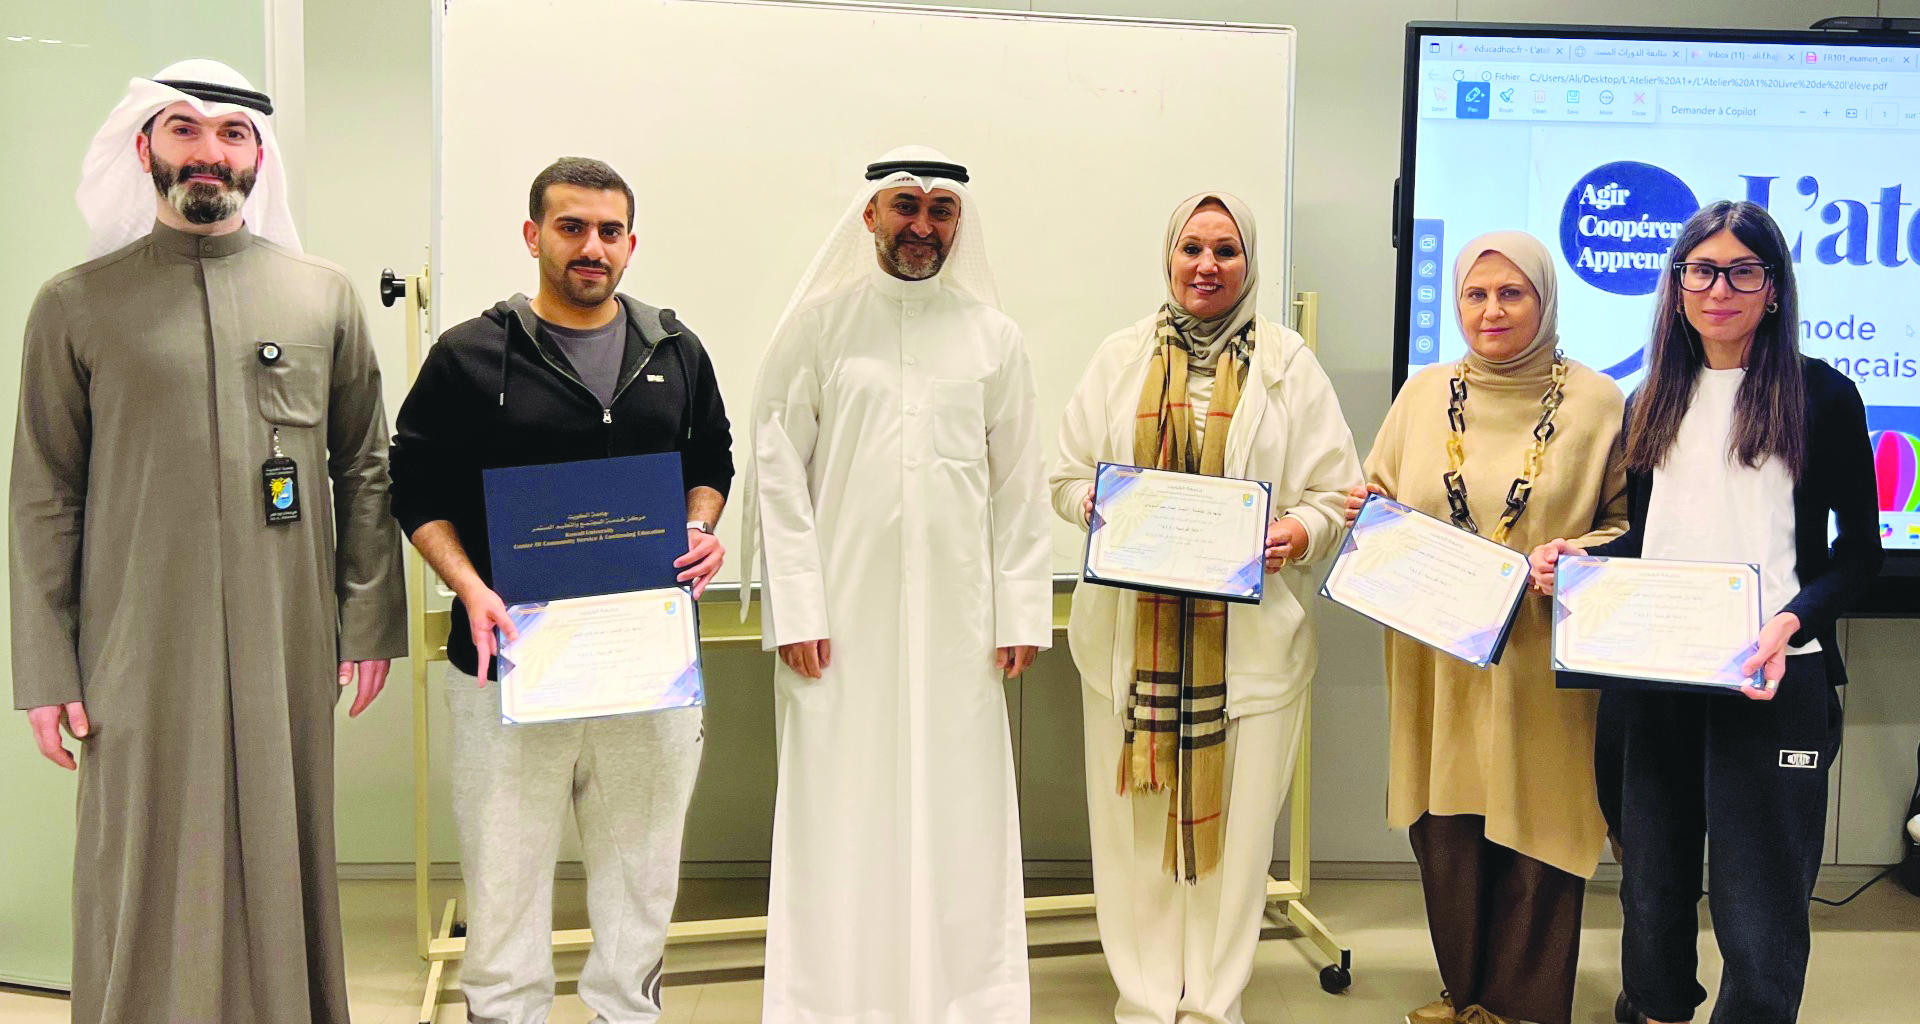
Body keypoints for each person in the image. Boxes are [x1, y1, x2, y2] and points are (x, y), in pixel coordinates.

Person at [10, 60, 406, 1024]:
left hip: (288, 628)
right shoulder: (75, 304)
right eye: (184, 129)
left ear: (258, 157)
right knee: (143, 841)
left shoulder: (322, 297)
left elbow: (364, 466)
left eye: (231, 134)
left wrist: (367, 622)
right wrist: (46, 666)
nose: (208, 152)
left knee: (282, 831)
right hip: (135, 635)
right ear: (144, 146)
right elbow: (44, 493)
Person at [388, 157, 732, 1023]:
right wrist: (468, 587)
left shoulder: (676, 350)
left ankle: (628, 1012)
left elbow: (711, 460)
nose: (592, 247)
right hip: (507, 661)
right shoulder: (469, 355)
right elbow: (416, 489)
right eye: (572, 227)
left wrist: (699, 526)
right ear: (534, 234)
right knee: (503, 880)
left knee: (642, 879)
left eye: (610, 231)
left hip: (646, 667)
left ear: (631, 244)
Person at [1530, 200, 1883, 1024]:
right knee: (1651, 891)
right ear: (1678, 284)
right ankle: (1656, 1011)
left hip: (1775, 678)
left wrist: (1791, 623)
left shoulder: (1823, 395)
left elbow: (1860, 555)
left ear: (1773, 286)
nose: (1719, 289)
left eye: (1742, 271)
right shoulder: (1652, 398)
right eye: (1701, 270)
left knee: (1760, 907)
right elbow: (1653, 542)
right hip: (1657, 679)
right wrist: (1582, 562)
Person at [742, 145, 1052, 1024]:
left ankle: (964, 1003)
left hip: (963, 628)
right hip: (838, 625)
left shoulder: (994, 338)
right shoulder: (818, 331)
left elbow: (1019, 484)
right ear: (871, 216)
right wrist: (796, 607)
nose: (923, 226)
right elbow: (777, 476)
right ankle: (832, 1003)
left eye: (940, 211)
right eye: (906, 207)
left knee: (961, 812)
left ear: (959, 224)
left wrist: (1020, 610)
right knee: (839, 810)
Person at [1050, 191, 1360, 1024]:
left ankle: (1214, 1003)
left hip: (1251, 652)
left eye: (1226, 250)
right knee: (1134, 840)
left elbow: (1338, 494)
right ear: (1170, 256)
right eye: (1192, 247)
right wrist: (1095, 507)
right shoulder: (1118, 358)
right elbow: (1065, 476)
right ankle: (1147, 1000)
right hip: (1129, 647)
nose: (1207, 266)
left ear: (1248, 264)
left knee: (1238, 843)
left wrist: (1296, 532)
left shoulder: (1290, 364)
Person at [1349, 231, 1628, 1024]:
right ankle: (1465, 991)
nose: (1492, 311)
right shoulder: (1422, 395)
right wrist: (1367, 513)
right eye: (1475, 294)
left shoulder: (1598, 403)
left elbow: (1625, 525)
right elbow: (1376, 494)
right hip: (1438, 656)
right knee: (1448, 820)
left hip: (1540, 657)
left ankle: (1523, 1004)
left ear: (1546, 301)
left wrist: (1575, 556)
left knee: (1539, 817)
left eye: (1512, 294)